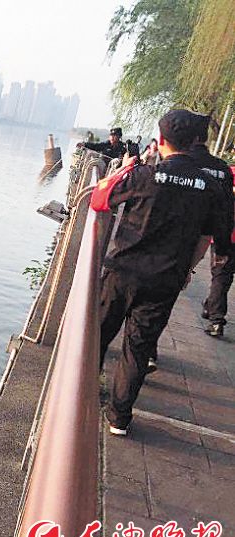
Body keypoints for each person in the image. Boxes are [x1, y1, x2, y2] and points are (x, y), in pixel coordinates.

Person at [94, 109, 232, 436]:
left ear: (161, 140)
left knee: (98, 335)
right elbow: (206, 238)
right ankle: (119, 417)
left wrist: (127, 167)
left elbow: (100, 200)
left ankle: (84, 390)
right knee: (139, 348)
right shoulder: (210, 185)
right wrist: (186, 271)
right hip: (165, 278)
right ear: (195, 141)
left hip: (122, 271)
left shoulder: (144, 175)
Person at [189, 114, 235, 337]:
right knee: (224, 275)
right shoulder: (226, 172)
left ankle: (216, 320)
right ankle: (211, 307)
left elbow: (222, 208)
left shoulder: (230, 174)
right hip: (225, 232)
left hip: (226, 233)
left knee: (221, 274)